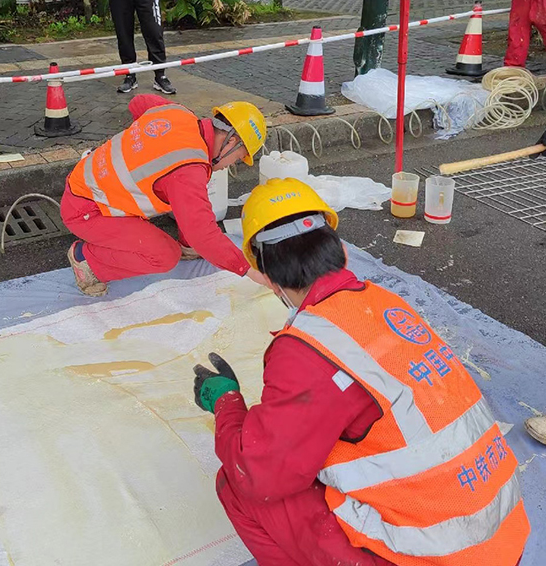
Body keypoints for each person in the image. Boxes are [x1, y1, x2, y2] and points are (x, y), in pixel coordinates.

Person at [192, 177, 530, 566]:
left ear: (268, 275)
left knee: (238, 484)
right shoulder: (384, 303)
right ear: (340, 253)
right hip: (501, 538)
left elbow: (258, 473)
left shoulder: (308, 348)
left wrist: (227, 404)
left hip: (437, 555)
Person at [61, 95, 268, 296]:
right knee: (164, 256)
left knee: (191, 200)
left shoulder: (178, 113)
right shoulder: (188, 170)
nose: (230, 166)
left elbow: (139, 102)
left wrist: (141, 145)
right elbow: (202, 233)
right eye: (239, 158)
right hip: (87, 210)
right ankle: (86, 259)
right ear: (231, 141)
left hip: (86, 183)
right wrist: (248, 269)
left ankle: (186, 246)